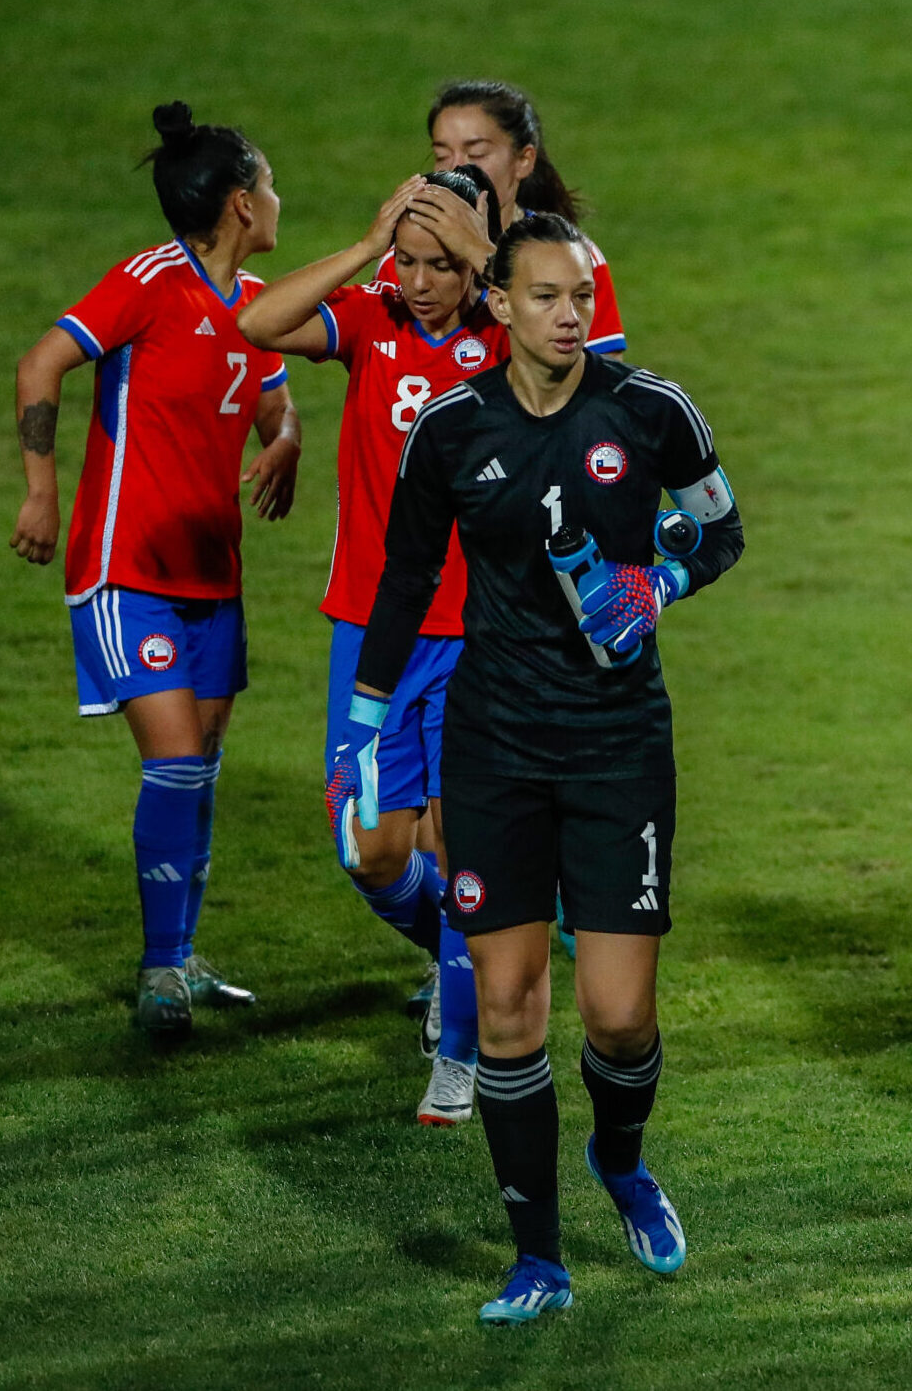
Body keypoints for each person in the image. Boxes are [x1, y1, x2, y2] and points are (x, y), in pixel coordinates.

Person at [343, 214, 743, 1324]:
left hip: (619, 744)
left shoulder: (650, 411)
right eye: (548, 297)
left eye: (582, 296)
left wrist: (654, 585)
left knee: (617, 1018)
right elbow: (405, 576)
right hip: (496, 746)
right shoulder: (450, 430)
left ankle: (622, 1162)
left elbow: (721, 528)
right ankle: (538, 1256)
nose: (572, 316)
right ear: (501, 305)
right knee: (511, 1011)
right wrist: (364, 727)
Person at [8, 102, 302, 1036]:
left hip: (214, 579)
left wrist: (286, 441)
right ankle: (159, 973)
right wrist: (42, 493)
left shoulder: (257, 309)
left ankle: (179, 958)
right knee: (175, 764)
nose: (277, 197)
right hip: (125, 567)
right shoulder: (149, 281)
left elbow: (275, 407)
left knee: (201, 768)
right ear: (236, 203)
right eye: (267, 182)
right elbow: (40, 366)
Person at [240, 167, 504, 1123]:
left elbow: (590, 364)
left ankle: (461, 1053)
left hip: (481, 636)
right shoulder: (372, 319)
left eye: (444, 264)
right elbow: (259, 324)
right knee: (367, 848)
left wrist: (489, 262)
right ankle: (467, 953)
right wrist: (367, 244)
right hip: (374, 630)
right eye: (412, 260)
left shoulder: (511, 339)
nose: (423, 281)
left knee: (464, 846)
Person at [371, 81, 626, 357]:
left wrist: (473, 247)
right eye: (441, 155)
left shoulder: (576, 256)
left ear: (524, 160)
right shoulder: (405, 259)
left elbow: (601, 381)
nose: (457, 168)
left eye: (477, 153)